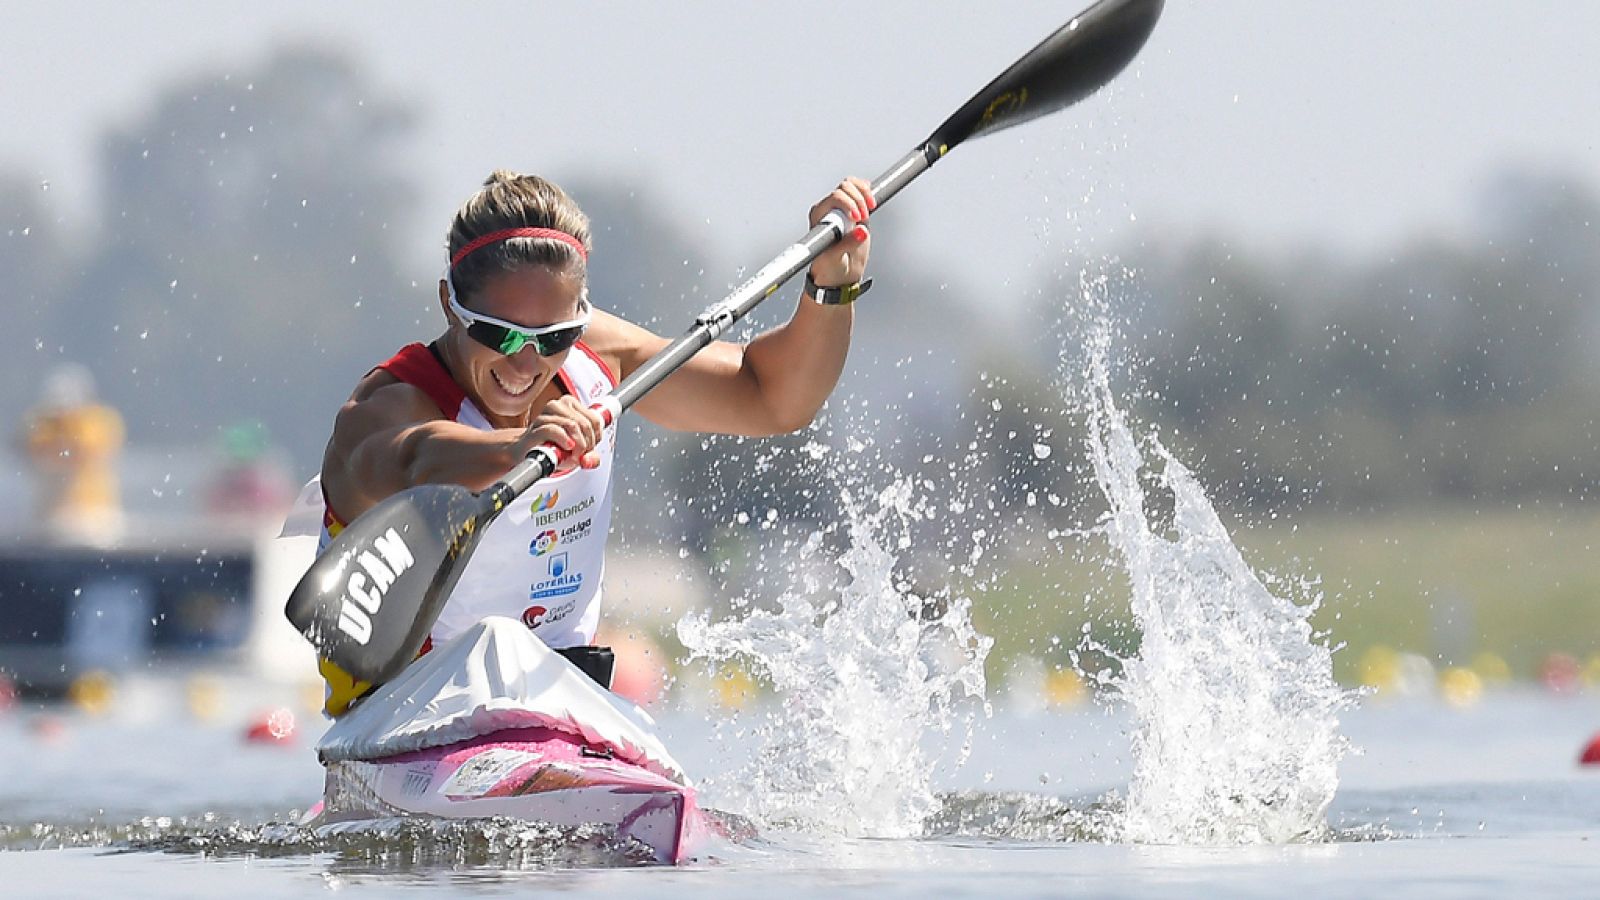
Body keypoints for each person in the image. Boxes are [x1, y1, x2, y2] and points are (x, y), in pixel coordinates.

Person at [313, 170, 875, 714]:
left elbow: (771, 399)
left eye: (553, 337)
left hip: (564, 704)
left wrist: (831, 288)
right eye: (499, 334)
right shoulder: (386, 405)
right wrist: (515, 449)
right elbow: (414, 459)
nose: (525, 363)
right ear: (449, 304)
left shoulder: (598, 355)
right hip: (408, 711)